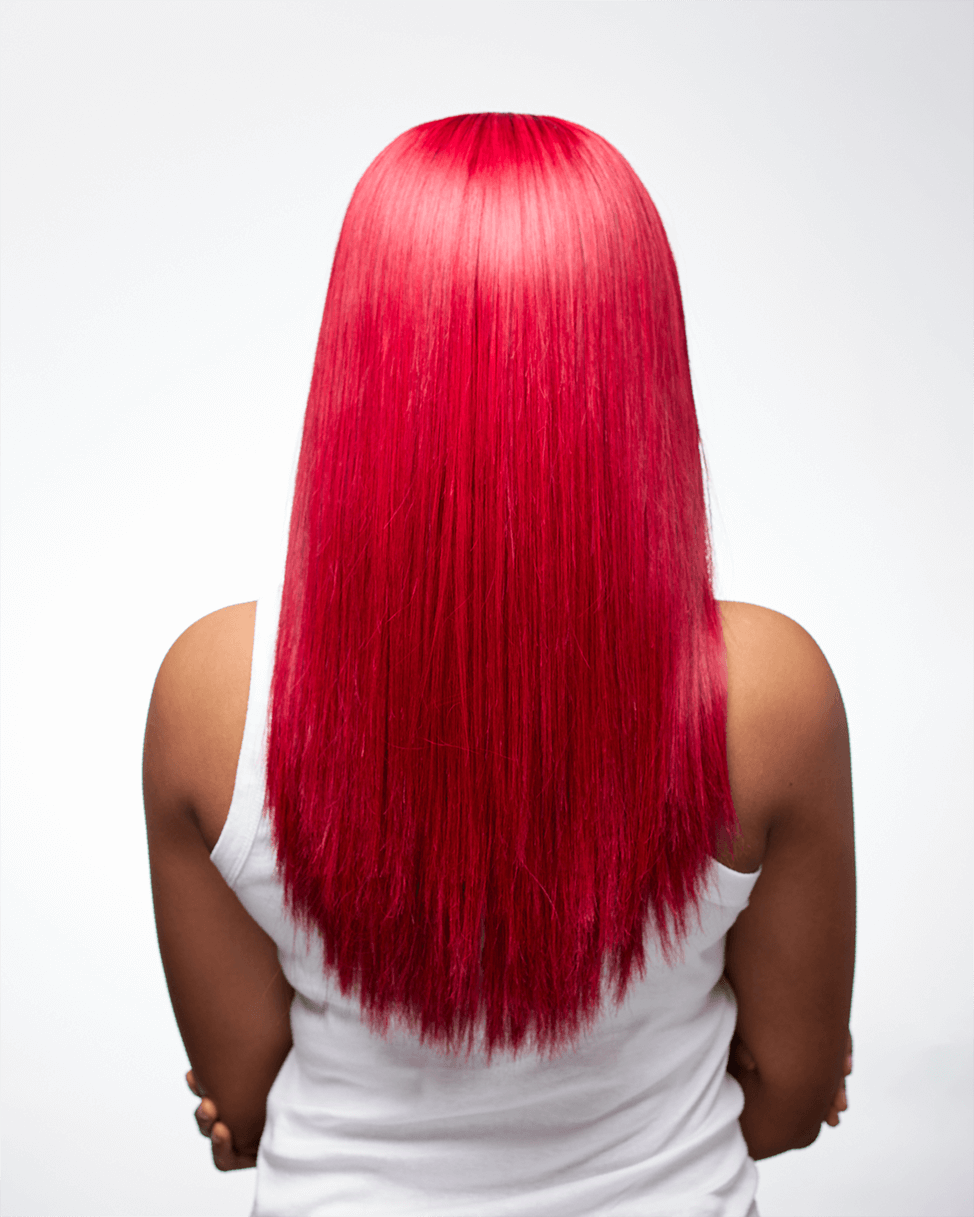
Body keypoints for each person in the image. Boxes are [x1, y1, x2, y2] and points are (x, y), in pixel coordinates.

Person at [144, 113, 855, 1216]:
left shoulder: (209, 692)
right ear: (637, 357)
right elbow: (792, 1102)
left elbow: (242, 1112)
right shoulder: (768, 696)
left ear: (363, 348)